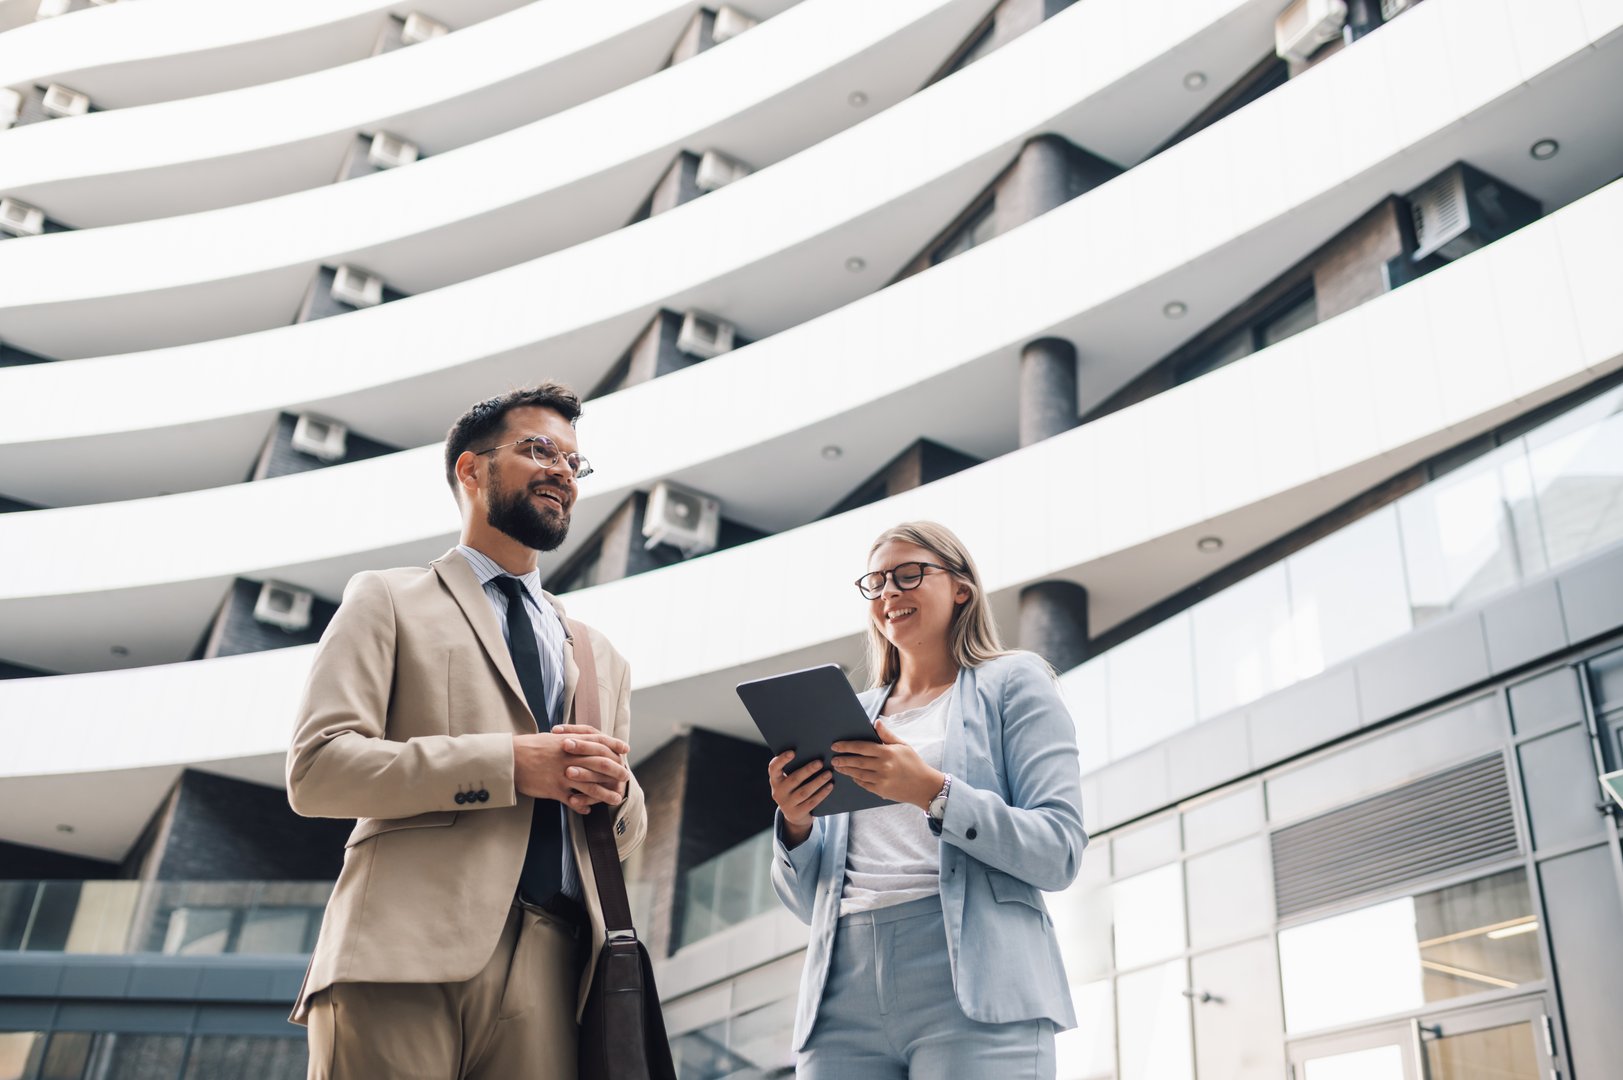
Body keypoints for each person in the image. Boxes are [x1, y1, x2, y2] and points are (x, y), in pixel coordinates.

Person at [285, 383, 647, 1080]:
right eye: (539, 449)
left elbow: (624, 831)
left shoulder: (602, 657)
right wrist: (508, 764)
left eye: (575, 463)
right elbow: (319, 769)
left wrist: (619, 796)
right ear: (471, 469)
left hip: (554, 966)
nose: (562, 473)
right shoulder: (386, 597)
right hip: (397, 951)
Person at [768, 521, 1086, 1079]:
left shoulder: (1014, 682)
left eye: (909, 574)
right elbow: (805, 903)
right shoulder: (850, 713)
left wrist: (930, 792)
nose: (890, 591)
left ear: (961, 586)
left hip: (976, 986)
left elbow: (1058, 850)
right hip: (840, 990)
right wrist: (795, 824)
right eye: (877, 581)